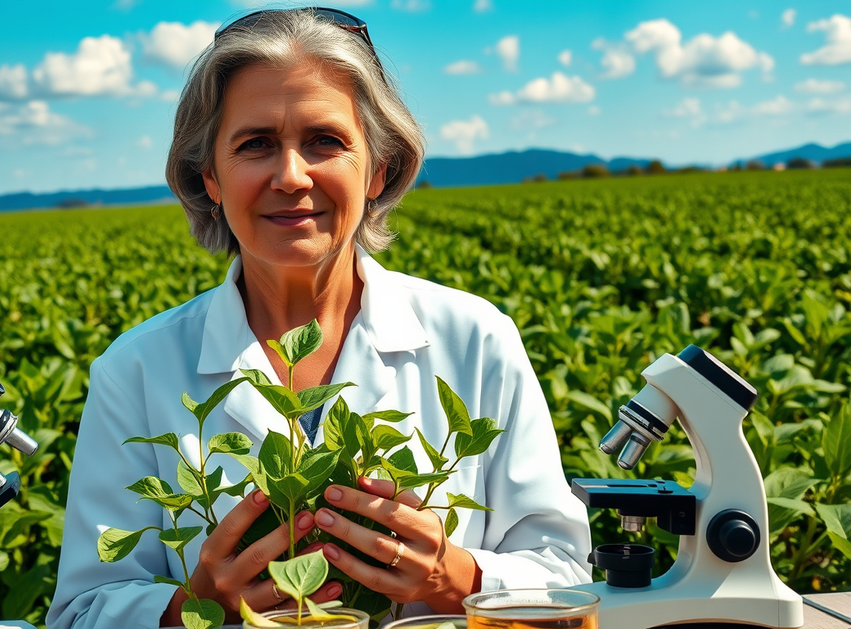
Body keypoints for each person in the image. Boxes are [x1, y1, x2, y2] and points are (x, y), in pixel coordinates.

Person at [46, 7, 592, 629]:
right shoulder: (136, 369)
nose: (290, 175)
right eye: (255, 145)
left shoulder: (475, 339)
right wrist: (195, 606)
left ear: (378, 170)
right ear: (212, 179)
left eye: (325, 141)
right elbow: (82, 613)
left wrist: (455, 576)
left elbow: (568, 576)